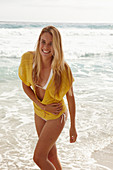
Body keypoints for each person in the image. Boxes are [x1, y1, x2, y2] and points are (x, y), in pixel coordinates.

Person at [18, 26, 77, 170]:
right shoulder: (28, 59)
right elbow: (26, 86)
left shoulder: (62, 69)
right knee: (50, 156)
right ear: (39, 42)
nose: (46, 47)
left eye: (50, 43)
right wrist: (42, 106)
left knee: (38, 157)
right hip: (39, 112)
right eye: (43, 42)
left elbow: (70, 98)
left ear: (56, 46)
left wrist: (73, 127)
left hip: (56, 115)